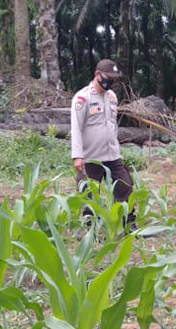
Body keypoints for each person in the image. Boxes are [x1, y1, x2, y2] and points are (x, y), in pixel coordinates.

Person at [71, 59, 137, 229]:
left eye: (114, 79)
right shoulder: (82, 98)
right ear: (97, 75)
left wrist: (116, 147)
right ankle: (91, 227)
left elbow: (112, 125)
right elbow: (76, 128)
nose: (112, 82)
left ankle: (128, 223)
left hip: (112, 154)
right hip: (91, 156)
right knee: (89, 191)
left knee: (125, 185)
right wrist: (77, 156)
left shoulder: (112, 97)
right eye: (109, 78)